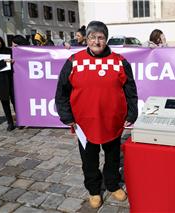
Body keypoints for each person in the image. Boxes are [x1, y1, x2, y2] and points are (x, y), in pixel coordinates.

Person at [55, 21, 138, 209]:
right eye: (93, 37)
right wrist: (67, 117)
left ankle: (112, 184)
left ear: (106, 39)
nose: (97, 41)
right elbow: (61, 92)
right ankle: (93, 189)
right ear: (87, 39)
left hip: (113, 121)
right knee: (89, 160)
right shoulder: (74, 61)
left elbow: (130, 90)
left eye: (101, 37)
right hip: (84, 124)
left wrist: (132, 113)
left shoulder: (119, 61)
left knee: (113, 157)